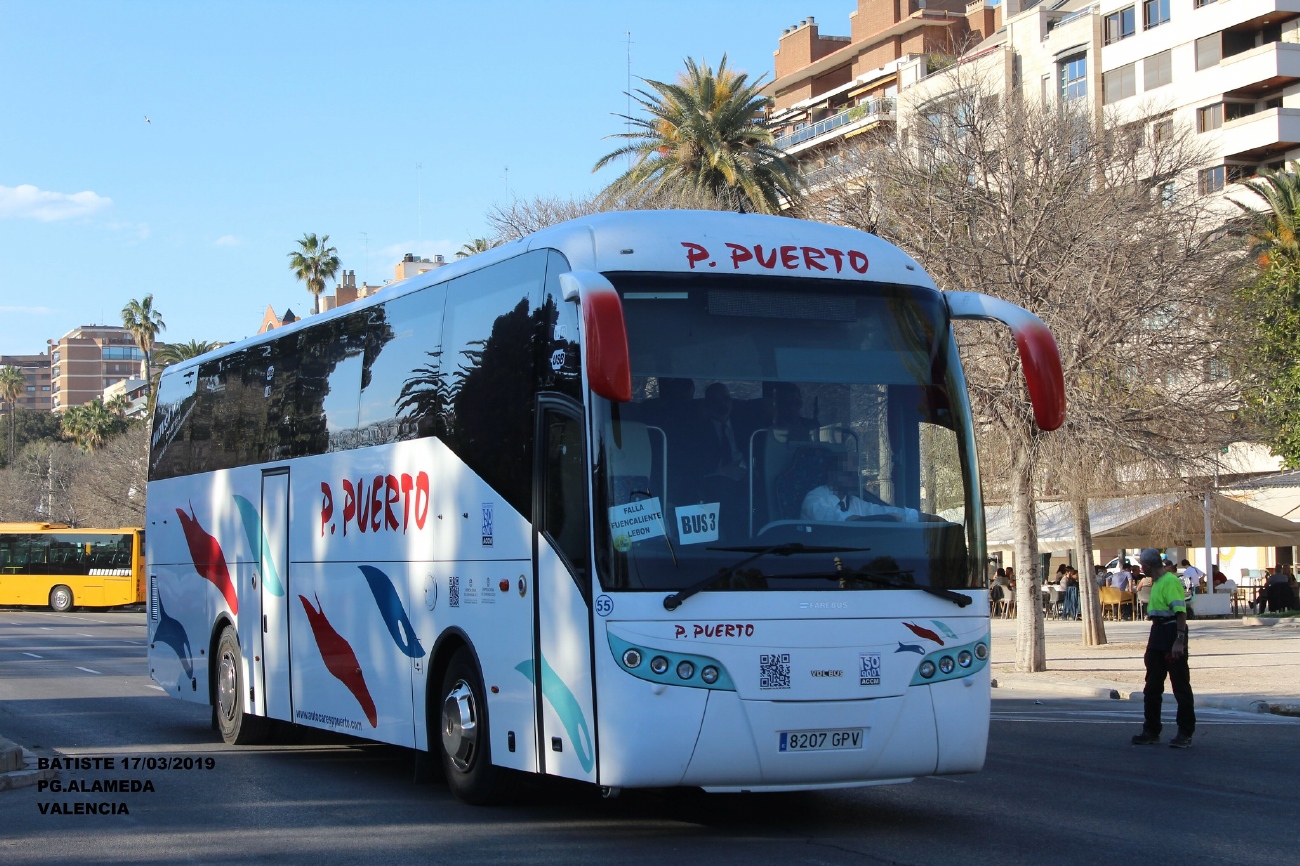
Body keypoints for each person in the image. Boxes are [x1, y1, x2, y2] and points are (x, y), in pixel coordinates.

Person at [1132, 548, 1195, 748]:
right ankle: (1151, 730)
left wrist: (1179, 640)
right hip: (1157, 632)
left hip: (1171, 631)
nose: (1142, 569)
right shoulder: (1157, 582)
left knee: (1180, 685)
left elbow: (1181, 612)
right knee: (1152, 686)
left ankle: (1185, 732)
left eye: (1143, 565)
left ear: (1148, 565)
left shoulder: (1170, 581)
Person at [801, 455, 920, 522]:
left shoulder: (854, 502)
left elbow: (880, 511)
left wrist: (920, 517)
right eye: (848, 474)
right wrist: (883, 519)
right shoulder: (814, 499)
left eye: (856, 474)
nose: (855, 478)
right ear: (832, 475)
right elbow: (841, 520)